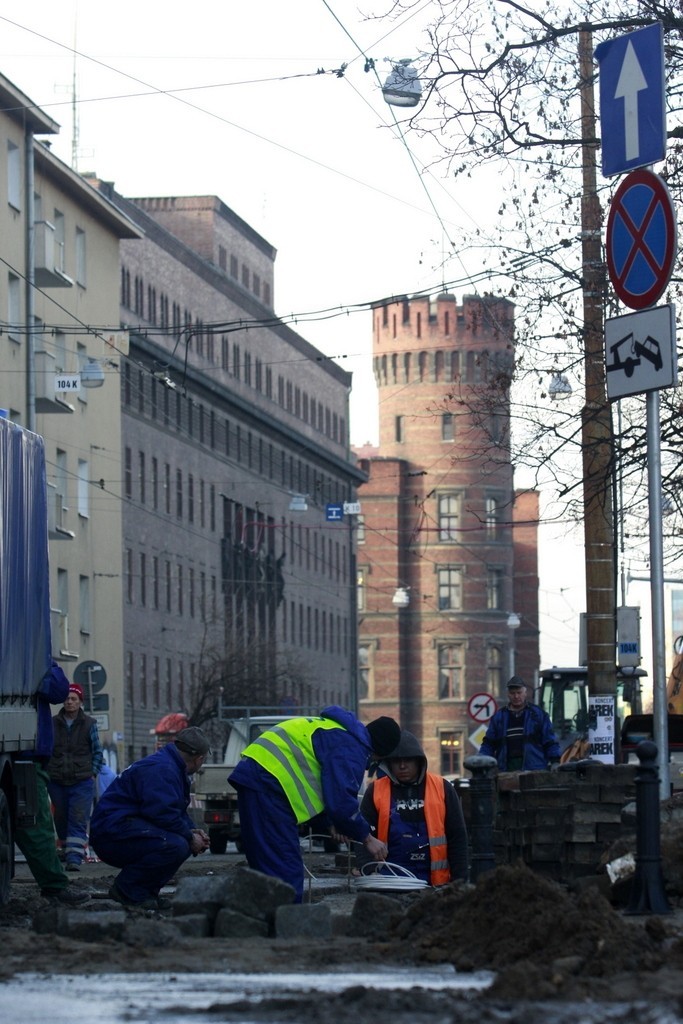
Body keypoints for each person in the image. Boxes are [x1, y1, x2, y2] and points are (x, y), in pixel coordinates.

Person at [228, 707, 401, 901]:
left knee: (266, 865)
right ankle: (287, 926)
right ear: (380, 753)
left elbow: (321, 788)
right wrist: (368, 839)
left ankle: (262, 921)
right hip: (268, 785)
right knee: (286, 868)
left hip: (260, 779)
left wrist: (329, 823)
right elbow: (342, 802)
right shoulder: (351, 748)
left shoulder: (339, 732)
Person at [89, 726, 211, 910]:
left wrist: (192, 831)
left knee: (180, 842)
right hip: (112, 833)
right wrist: (189, 836)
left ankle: (145, 893)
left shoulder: (170, 766)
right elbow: (162, 813)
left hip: (119, 828)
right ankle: (127, 890)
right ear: (199, 758)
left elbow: (172, 810)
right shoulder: (164, 769)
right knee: (175, 845)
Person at [14, 661, 89, 905]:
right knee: (37, 825)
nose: (69, 702)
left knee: (63, 824)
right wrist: (47, 661)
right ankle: (55, 887)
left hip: (70, 776)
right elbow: (57, 688)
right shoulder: (33, 653)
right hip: (27, 754)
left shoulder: (86, 724)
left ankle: (68, 867)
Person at [355, 729, 469, 885]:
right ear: (389, 763)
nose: (402, 766)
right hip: (389, 880)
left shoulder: (442, 788)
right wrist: (367, 872)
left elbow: (457, 836)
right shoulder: (375, 791)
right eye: (396, 761)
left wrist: (459, 881)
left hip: (434, 883)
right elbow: (362, 834)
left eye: (408, 760)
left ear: (418, 761)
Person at [47, 682, 104, 870]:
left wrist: (93, 773)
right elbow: (46, 749)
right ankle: (65, 849)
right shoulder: (53, 723)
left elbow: (97, 751)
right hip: (56, 780)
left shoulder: (89, 724)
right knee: (61, 817)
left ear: (80, 702)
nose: (69, 702)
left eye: (73, 699)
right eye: (67, 699)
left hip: (82, 780)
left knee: (78, 817)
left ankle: (74, 857)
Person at [479, 675, 561, 771]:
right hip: (506, 770)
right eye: (512, 693)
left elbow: (549, 740)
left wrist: (555, 760)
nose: (516, 696)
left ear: (525, 693)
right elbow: (489, 743)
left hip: (534, 770)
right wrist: (481, 759)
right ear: (508, 694)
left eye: (519, 692)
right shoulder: (499, 717)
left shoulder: (538, 715)